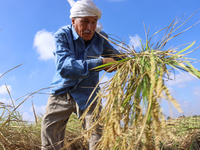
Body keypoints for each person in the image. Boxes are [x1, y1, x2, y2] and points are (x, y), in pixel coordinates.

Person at [41, 0, 122, 149]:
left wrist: (134, 60)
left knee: (98, 141)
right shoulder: (62, 35)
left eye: (93, 22)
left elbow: (116, 56)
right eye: (85, 22)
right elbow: (65, 67)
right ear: (73, 21)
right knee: (50, 140)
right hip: (62, 93)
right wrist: (101, 62)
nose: (90, 28)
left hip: (89, 94)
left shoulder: (100, 37)